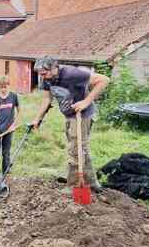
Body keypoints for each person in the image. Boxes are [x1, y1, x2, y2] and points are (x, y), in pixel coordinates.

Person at [30, 57, 110, 192]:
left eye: (44, 73)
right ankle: (92, 182)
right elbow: (47, 99)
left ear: (54, 68)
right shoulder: (46, 78)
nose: (41, 76)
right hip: (69, 116)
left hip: (82, 116)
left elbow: (104, 80)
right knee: (80, 147)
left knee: (75, 149)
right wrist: (37, 119)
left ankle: (72, 185)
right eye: (40, 73)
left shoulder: (72, 74)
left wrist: (86, 102)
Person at [0, 75, 20, 176]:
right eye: (1, 87)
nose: (3, 89)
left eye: (5, 87)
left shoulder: (13, 97)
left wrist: (13, 125)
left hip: (8, 130)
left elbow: (19, 111)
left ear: (8, 86)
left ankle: (6, 174)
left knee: (6, 154)